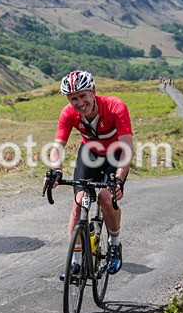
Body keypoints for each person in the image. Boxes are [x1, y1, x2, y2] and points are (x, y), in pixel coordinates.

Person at [46, 70, 134, 276]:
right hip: (90, 153)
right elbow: (58, 144)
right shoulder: (68, 113)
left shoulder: (115, 107)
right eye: (73, 98)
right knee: (78, 203)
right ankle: (76, 260)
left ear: (93, 91)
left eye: (83, 96)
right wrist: (54, 169)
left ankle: (114, 243)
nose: (79, 102)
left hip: (116, 154)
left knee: (105, 198)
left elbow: (127, 148)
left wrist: (119, 180)